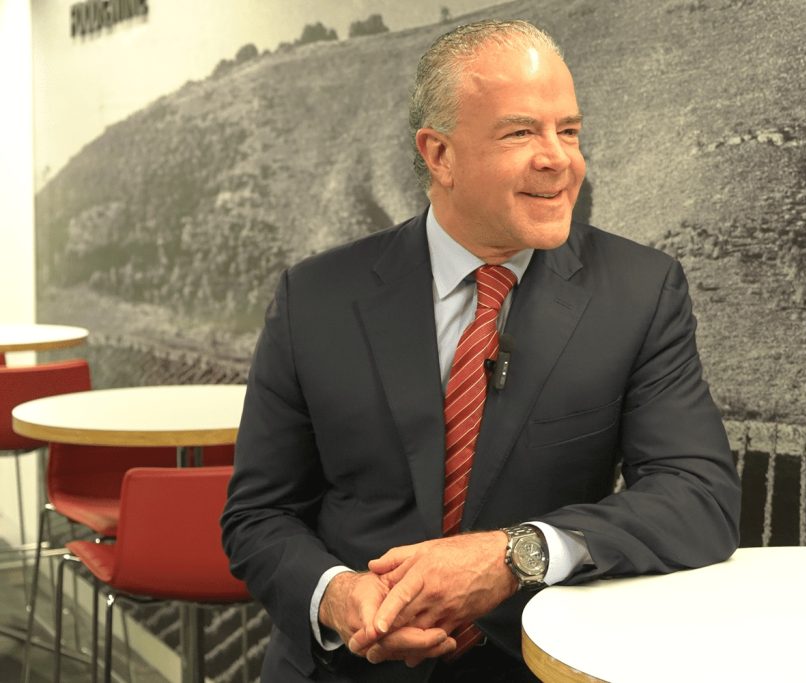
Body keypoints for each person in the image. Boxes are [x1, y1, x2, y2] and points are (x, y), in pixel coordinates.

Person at [221, 19, 740, 683]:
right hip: (343, 667)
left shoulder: (641, 292)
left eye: (569, 130)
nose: (559, 158)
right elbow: (259, 515)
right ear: (439, 154)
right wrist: (340, 598)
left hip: (532, 665)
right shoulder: (315, 298)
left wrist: (513, 555)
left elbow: (698, 496)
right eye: (521, 132)